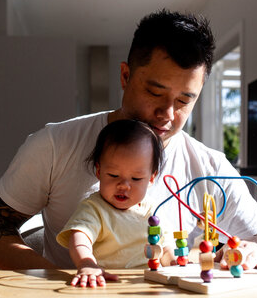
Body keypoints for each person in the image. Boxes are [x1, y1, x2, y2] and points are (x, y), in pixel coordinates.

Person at [0, 9, 257, 271]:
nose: (167, 113)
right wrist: (51, 277)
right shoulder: (55, 145)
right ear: (125, 76)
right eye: (155, 92)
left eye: (184, 101)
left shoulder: (211, 167)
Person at [56, 119, 174, 287]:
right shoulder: (94, 208)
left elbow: (165, 248)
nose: (123, 185)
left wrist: (173, 263)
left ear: (151, 178)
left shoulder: (152, 211)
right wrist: (87, 263)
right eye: (113, 175)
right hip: (105, 283)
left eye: (136, 178)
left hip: (147, 286)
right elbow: (80, 237)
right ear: (99, 171)